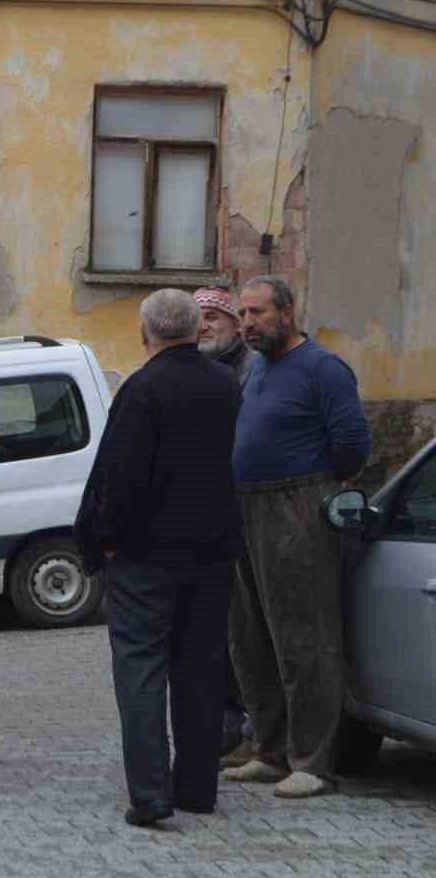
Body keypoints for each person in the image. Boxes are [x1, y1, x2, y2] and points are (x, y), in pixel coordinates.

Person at [75, 289, 245, 827]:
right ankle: (197, 788)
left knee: (141, 667)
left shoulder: (142, 388)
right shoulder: (228, 385)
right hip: (213, 552)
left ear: (144, 332)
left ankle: (150, 793)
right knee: (201, 672)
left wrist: (104, 537)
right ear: (197, 330)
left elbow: (120, 477)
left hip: (145, 555)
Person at [222, 275, 371, 799]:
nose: (247, 323)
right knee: (250, 636)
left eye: (257, 313)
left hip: (296, 506)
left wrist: (312, 491)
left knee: (304, 637)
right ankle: (269, 749)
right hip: (243, 505)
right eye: (243, 313)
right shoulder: (256, 366)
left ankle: (312, 760)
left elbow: (352, 445)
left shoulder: (324, 369)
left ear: (287, 311)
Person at [194, 285, 259, 760]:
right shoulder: (195, 370)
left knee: (247, 623)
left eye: (215, 316)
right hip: (205, 515)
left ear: (237, 324)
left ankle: (252, 723)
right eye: (199, 318)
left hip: (247, 510)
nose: (206, 326)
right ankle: (220, 722)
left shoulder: (253, 371)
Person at [196, 286, 261, 388]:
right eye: (197, 320)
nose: (202, 327)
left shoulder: (257, 367)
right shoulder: (185, 366)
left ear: (237, 325)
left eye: (211, 317)